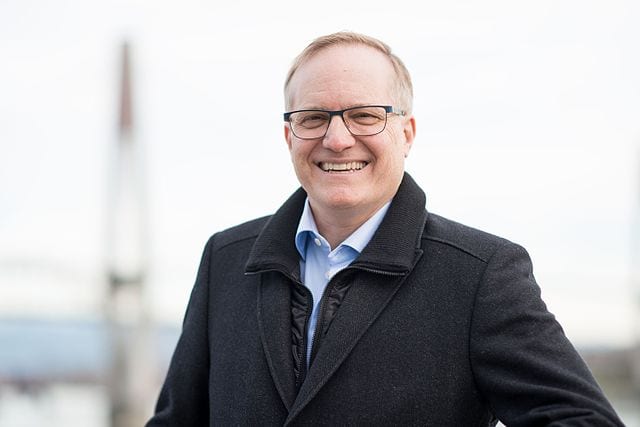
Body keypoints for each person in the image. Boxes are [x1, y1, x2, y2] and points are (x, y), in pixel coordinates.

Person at [146, 32, 623, 426]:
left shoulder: (480, 274)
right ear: (289, 136)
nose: (337, 139)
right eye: (313, 118)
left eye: (364, 116)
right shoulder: (226, 259)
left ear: (406, 133)